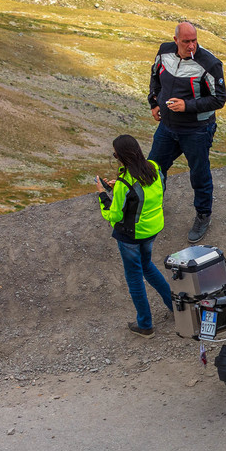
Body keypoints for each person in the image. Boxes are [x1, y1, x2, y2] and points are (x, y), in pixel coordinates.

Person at [147, 22, 226, 244]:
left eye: (194, 40)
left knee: (199, 175)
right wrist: (154, 102)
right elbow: (155, 76)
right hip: (167, 127)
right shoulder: (164, 52)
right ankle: (151, 208)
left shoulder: (209, 64)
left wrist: (187, 106)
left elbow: (219, 99)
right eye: (186, 41)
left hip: (197, 130)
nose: (191, 45)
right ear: (176, 40)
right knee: (152, 169)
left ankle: (203, 215)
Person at [98, 135, 170, 337]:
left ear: (121, 156)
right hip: (153, 229)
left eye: (115, 155)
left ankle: (145, 324)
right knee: (147, 265)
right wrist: (119, 187)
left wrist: (103, 196)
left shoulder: (124, 183)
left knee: (135, 278)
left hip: (131, 235)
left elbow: (114, 215)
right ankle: (175, 306)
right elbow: (143, 192)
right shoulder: (154, 167)